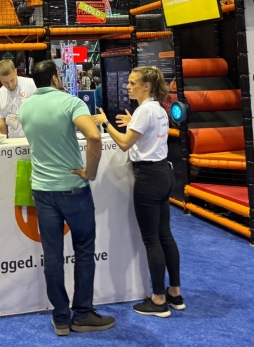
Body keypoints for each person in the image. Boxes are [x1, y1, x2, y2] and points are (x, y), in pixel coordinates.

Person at [18, 60, 113, 336]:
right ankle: (82, 314)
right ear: (56, 78)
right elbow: (94, 136)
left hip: (42, 190)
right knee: (83, 250)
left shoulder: (25, 108)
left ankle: (61, 318)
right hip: (73, 188)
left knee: (52, 256)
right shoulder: (71, 103)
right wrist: (90, 172)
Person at [91, 66, 183, 317]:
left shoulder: (144, 111)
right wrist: (133, 124)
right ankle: (174, 293)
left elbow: (123, 144)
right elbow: (148, 135)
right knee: (165, 234)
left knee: (151, 239)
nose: (128, 86)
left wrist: (105, 123)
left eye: (133, 83)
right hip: (163, 173)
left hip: (149, 178)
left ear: (146, 86)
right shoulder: (157, 108)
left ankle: (158, 299)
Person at [0, 59, 36, 138]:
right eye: (5, 82)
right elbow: (1, 128)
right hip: (13, 141)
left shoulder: (31, 84)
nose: (10, 85)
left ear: (15, 71)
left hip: (34, 138)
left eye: (12, 80)